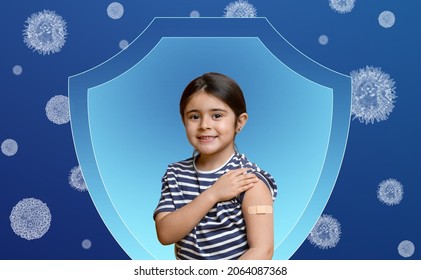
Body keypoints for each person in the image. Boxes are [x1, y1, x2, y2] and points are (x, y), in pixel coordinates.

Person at [153, 72, 277, 260]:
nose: (204, 125)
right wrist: (213, 194)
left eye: (217, 115)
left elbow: (262, 251)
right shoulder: (175, 174)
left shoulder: (249, 181)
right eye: (194, 117)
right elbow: (165, 234)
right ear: (183, 121)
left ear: (240, 122)